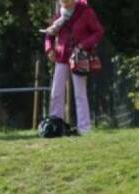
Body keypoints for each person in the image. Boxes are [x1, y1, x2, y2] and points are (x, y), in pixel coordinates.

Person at [43, 0, 104, 135]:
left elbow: (98, 32)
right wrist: (49, 49)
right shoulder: (59, 14)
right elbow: (49, 34)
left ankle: (84, 128)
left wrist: (84, 44)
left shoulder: (86, 12)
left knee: (79, 93)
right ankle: (55, 125)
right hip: (62, 57)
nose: (63, 4)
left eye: (66, 2)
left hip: (78, 57)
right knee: (56, 93)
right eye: (62, 2)